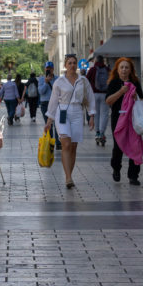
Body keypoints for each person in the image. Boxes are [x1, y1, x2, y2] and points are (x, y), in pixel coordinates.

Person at [45, 54, 95, 189]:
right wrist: (49, 120)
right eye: (69, 63)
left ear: (77, 65)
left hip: (77, 112)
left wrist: (92, 115)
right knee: (66, 144)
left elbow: (90, 97)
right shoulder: (59, 82)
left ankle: (70, 174)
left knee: (73, 146)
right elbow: (53, 101)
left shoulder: (83, 80)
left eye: (74, 63)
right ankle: (68, 178)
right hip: (62, 112)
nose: (72, 65)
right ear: (65, 66)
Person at [106, 57, 143, 185]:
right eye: (121, 67)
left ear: (130, 70)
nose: (124, 70)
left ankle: (133, 176)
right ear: (117, 69)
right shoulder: (114, 83)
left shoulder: (135, 82)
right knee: (118, 146)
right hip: (118, 118)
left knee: (135, 145)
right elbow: (108, 101)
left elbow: (142, 101)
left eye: (126, 67)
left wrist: (136, 97)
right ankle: (116, 168)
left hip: (133, 119)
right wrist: (121, 92)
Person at [87, 56, 111, 143]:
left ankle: (97, 132)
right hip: (105, 94)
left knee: (96, 114)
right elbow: (111, 81)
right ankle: (102, 133)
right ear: (103, 61)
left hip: (94, 95)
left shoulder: (92, 69)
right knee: (104, 114)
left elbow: (86, 80)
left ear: (95, 61)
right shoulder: (108, 70)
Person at [39, 61, 59, 148]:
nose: (49, 70)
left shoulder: (58, 79)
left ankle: (58, 143)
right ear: (45, 69)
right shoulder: (41, 79)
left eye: (50, 68)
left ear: (53, 69)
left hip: (56, 103)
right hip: (45, 104)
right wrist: (46, 83)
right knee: (48, 124)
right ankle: (50, 143)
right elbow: (41, 92)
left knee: (57, 124)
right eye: (47, 68)